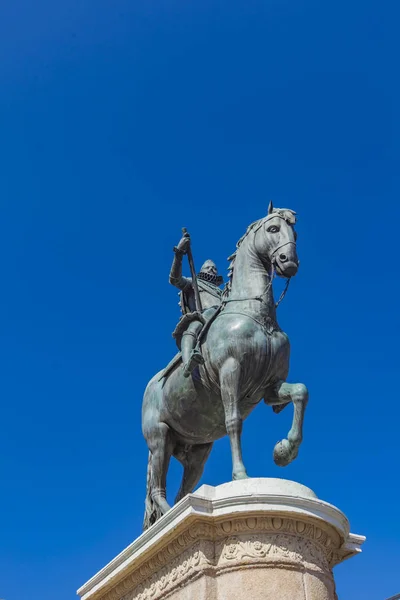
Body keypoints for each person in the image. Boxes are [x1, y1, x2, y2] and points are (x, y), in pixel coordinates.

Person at [169, 234, 223, 377]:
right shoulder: (192, 282)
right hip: (204, 316)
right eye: (208, 268)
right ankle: (188, 363)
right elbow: (175, 279)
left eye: (214, 268)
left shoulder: (223, 293)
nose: (212, 270)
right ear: (201, 270)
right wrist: (179, 253)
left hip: (223, 318)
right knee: (193, 328)